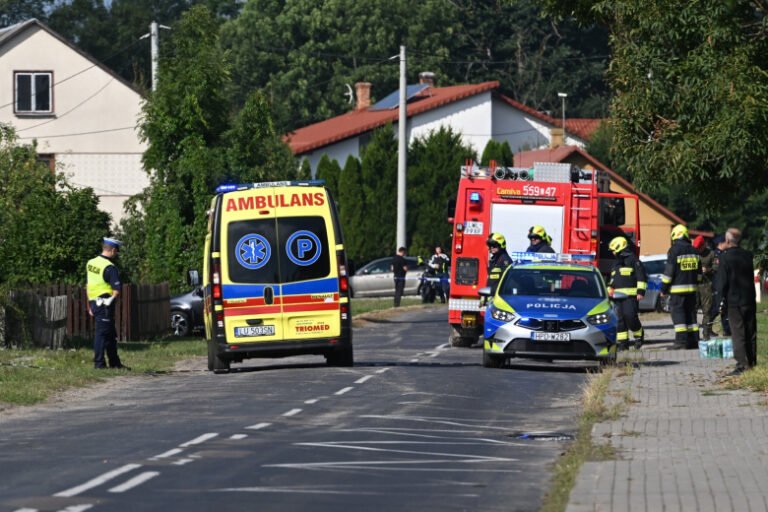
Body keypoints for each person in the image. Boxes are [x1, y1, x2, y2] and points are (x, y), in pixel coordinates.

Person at [715, 228, 757, 375]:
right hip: (749, 298)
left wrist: (719, 302)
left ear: (727, 241)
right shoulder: (748, 255)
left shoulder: (725, 258)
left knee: (738, 333)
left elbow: (722, 282)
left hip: (734, 300)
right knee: (751, 332)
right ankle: (752, 362)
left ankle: (742, 365)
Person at [86, 237, 128, 369]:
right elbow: (117, 290)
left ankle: (115, 363)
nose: (116, 255)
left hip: (94, 301)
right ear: (113, 250)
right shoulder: (110, 267)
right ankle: (99, 364)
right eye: (117, 252)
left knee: (110, 333)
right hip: (104, 303)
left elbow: (88, 285)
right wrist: (111, 298)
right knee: (102, 333)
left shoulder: (91, 263)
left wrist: (89, 305)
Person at [660, 224, 702, 350]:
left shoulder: (674, 250)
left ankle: (681, 342)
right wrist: (695, 283)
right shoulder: (695, 250)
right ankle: (694, 341)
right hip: (693, 290)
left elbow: (669, 273)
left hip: (677, 290)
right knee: (691, 316)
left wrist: (663, 289)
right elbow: (699, 274)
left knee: (679, 315)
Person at [607, 236, 647, 349]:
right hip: (617, 297)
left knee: (630, 317)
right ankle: (623, 343)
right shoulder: (616, 263)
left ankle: (639, 335)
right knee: (619, 320)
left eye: (614, 250)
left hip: (631, 296)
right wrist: (610, 288)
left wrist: (640, 292)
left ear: (620, 248)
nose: (613, 253)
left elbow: (641, 276)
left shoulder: (633, 260)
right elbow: (613, 279)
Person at [692, 235, 716, 340]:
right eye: (696, 248)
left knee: (707, 311)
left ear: (704, 245)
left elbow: (716, 267)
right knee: (693, 310)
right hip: (694, 285)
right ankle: (694, 335)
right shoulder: (692, 254)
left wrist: (708, 270)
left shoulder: (711, 254)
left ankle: (706, 335)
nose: (698, 250)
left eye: (699, 248)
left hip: (706, 285)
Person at [710, 234, 731, 336]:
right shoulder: (715, 255)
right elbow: (715, 271)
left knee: (724, 308)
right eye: (727, 242)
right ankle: (707, 327)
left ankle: (727, 330)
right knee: (716, 308)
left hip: (725, 285)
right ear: (721, 243)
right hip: (717, 285)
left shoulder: (726, 253)